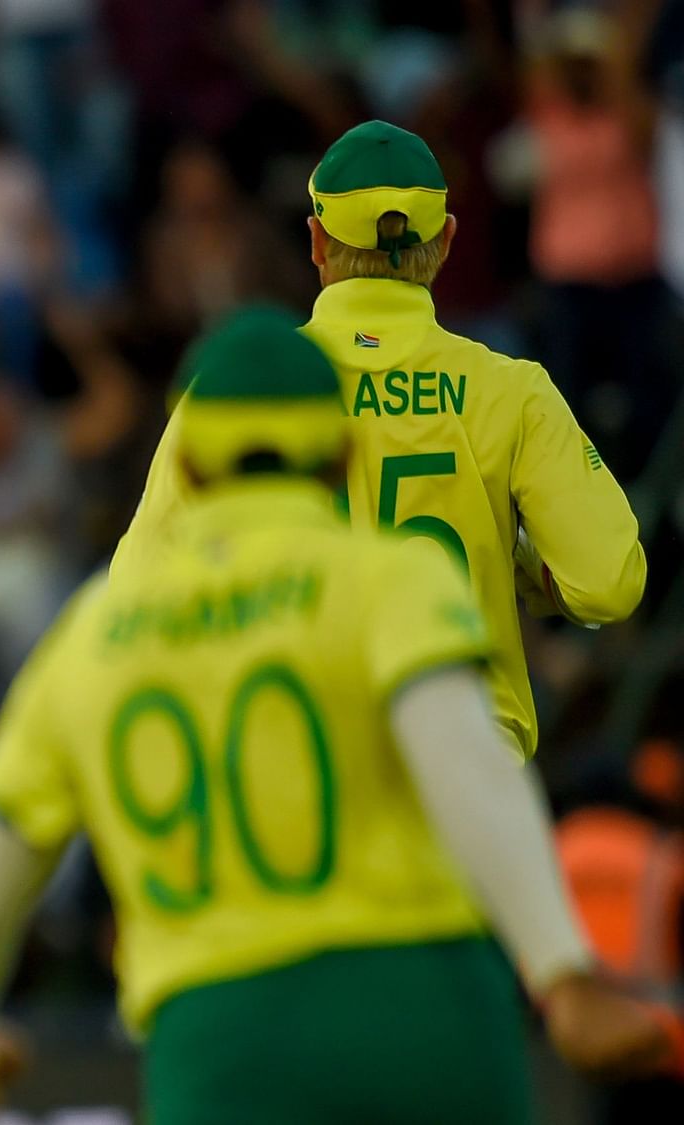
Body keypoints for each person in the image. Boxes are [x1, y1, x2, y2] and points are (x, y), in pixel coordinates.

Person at [0, 309, 678, 1125]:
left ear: (190, 470)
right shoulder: (395, 581)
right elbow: (474, 771)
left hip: (223, 1049)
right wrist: (563, 973)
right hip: (430, 1018)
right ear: (341, 453)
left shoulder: (92, 636)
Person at [113, 120, 646, 763]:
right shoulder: (510, 389)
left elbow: (138, 590)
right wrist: (518, 562)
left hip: (303, 756)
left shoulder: (241, 387)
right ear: (446, 240)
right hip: (469, 762)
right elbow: (608, 583)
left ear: (316, 240)